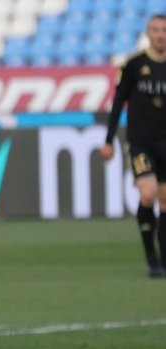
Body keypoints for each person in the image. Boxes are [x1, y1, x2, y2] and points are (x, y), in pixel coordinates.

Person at [102, 14, 166, 278]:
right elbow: (118, 102)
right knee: (148, 195)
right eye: (155, 30)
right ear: (148, 34)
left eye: (164, 30)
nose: (160, 35)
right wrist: (108, 140)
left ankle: (163, 260)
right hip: (141, 142)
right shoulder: (134, 65)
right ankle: (151, 257)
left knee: (165, 202)